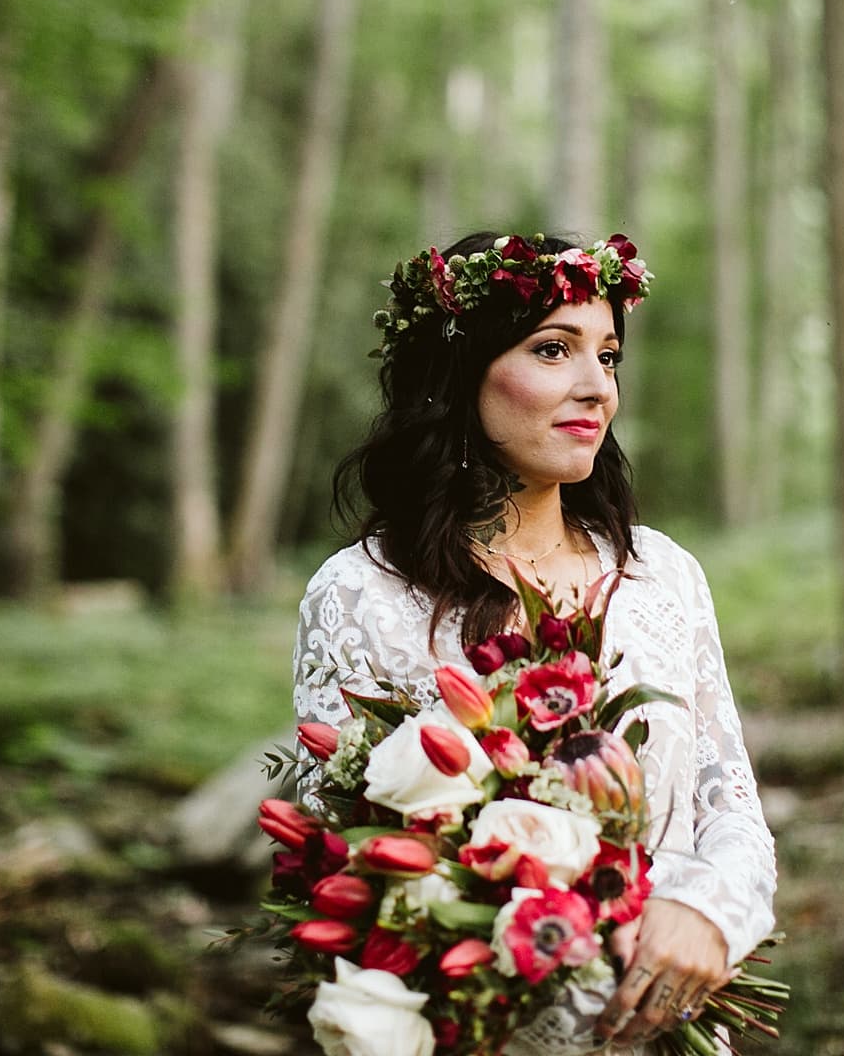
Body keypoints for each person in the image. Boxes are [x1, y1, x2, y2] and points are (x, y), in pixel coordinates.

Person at [291, 232, 777, 1055]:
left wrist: (702, 914)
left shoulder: (661, 576)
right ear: (459, 375)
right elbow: (341, 859)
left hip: (663, 1017)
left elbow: (729, 801)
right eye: (554, 350)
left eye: (609, 356)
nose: (597, 387)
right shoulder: (362, 593)